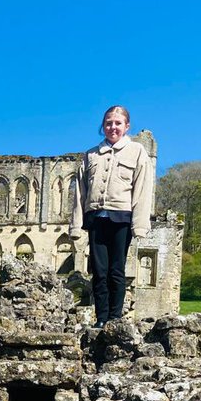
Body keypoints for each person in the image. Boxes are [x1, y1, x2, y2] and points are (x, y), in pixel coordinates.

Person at [69, 105, 154, 326]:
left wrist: (140, 226)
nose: (112, 127)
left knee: (117, 270)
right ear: (103, 126)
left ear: (127, 126)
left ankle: (115, 318)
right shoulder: (90, 155)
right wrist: (76, 226)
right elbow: (80, 192)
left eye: (117, 123)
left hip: (121, 218)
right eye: (108, 123)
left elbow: (143, 190)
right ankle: (101, 318)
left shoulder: (137, 152)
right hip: (97, 218)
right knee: (99, 271)